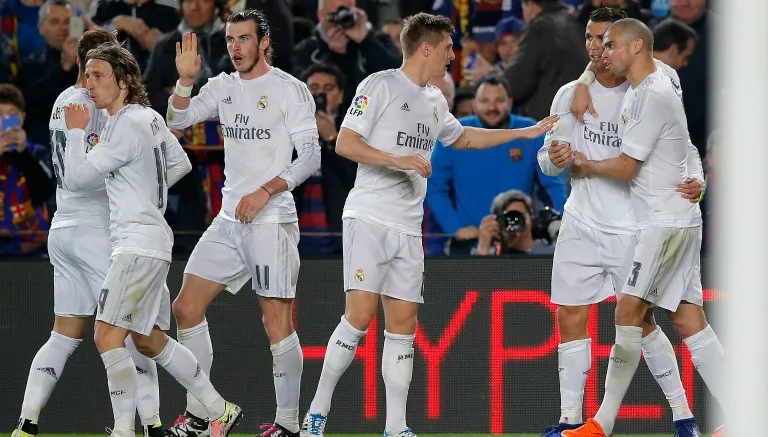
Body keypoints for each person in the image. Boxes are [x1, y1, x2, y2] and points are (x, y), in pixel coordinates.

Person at [299, 12, 558, 437]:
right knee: (359, 317)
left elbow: (465, 138)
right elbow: (345, 142)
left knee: (403, 327)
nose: (452, 54)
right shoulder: (380, 85)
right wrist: (397, 159)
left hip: (408, 226)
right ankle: (316, 415)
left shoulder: (436, 100)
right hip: (370, 215)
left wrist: (525, 134)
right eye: (447, 47)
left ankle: (396, 427)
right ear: (425, 48)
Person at [537, 8, 706, 437]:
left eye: (605, 39)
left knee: (642, 323)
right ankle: (570, 421)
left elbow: (683, 141)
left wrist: (698, 177)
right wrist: (553, 159)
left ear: (627, 43)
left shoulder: (653, 85)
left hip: (634, 225)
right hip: (580, 221)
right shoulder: (569, 94)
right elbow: (548, 158)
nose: (596, 47)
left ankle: (683, 416)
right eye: (591, 38)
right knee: (570, 316)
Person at [61, 43, 241, 437]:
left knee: (107, 335)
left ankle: (124, 430)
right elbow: (180, 163)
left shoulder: (124, 124)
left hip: (136, 245)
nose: (89, 84)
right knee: (146, 338)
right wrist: (141, 189)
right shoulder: (150, 118)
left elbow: (74, 179)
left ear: (124, 81)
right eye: (87, 75)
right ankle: (218, 408)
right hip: (152, 241)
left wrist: (75, 132)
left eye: (98, 75)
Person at [165, 9, 321, 437]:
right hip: (229, 219)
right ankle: (202, 416)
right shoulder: (222, 86)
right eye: (231, 39)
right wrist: (184, 81)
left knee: (276, 322)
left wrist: (265, 190)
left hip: (271, 219)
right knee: (185, 308)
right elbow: (177, 121)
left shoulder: (290, 90)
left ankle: (288, 425)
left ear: (264, 41)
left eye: (245, 39)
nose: (236, 47)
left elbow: (310, 156)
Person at [11, 30, 166, 437]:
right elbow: (91, 171)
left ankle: (26, 421)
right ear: (92, 64)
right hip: (98, 228)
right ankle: (148, 423)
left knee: (64, 333)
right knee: (130, 330)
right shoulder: (93, 105)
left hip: (62, 227)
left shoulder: (62, 100)